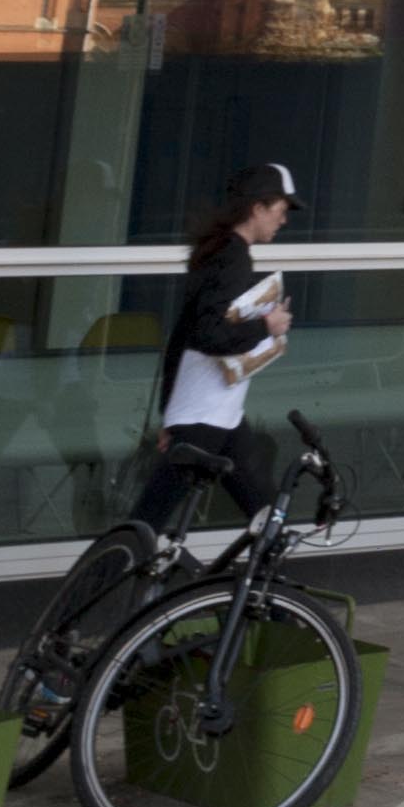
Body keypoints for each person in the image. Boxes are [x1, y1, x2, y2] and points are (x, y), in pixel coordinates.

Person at [133, 161, 300, 532]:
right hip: (204, 412)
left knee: (267, 517)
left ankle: (262, 572)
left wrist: (169, 413)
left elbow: (183, 334)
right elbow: (209, 335)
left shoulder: (222, 251)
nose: (283, 220)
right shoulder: (232, 257)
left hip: (217, 410)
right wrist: (268, 326)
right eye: (280, 209)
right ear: (258, 207)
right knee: (146, 523)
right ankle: (109, 570)